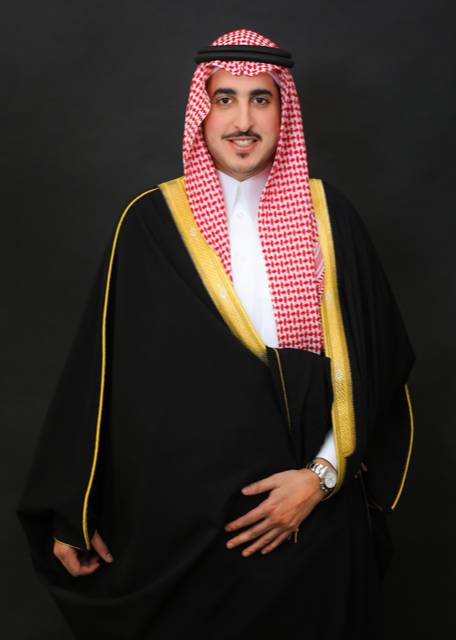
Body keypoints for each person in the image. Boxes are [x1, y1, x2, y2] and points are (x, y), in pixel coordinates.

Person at [17, 28, 415, 639]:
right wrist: (75, 509)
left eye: (261, 99)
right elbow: (99, 380)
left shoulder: (330, 220)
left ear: (284, 112)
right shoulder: (150, 224)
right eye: (224, 99)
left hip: (311, 529)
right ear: (201, 112)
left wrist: (320, 479)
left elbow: (375, 369)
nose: (243, 121)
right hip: (184, 541)